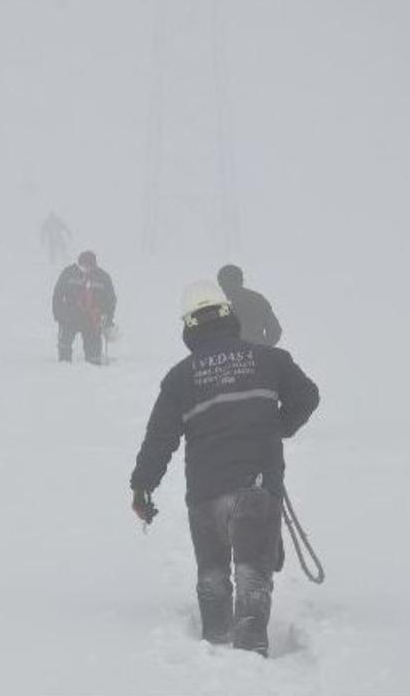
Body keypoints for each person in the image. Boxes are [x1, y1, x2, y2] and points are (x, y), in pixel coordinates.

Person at [129, 281, 319, 656]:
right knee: (252, 576)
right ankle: (250, 653)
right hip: (257, 488)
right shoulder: (270, 359)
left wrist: (142, 487)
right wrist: (278, 427)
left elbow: (159, 439)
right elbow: (308, 396)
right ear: (229, 316)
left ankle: (216, 649)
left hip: (205, 493)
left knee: (212, 574)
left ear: (189, 327)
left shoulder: (180, 377)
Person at [51, 250, 117, 364]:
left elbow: (110, 300)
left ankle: (93, 370)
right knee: (64, 346)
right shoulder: (68, 274)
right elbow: (57, 295)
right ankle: (64, 368)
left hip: (92, 319)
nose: (86, 269)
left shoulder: (103, 278)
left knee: (94, 357)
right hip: (69, 317)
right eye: (83, 266)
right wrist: (59, 315)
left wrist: (107, 318)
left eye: (89, 266)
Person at [216, 264, 282, 346]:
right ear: (241, 280)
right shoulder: (257, 299)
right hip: (254, 352)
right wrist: (263, 349)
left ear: (219, 282)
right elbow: (274, 331)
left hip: (225, 354)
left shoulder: (214, 303)